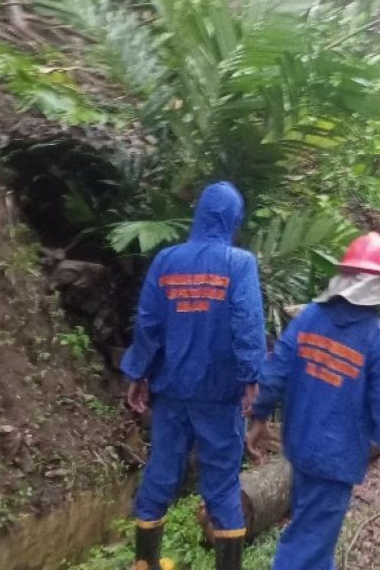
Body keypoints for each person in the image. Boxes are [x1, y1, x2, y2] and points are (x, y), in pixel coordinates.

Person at [246, 232, 380, 570]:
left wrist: (259, 415)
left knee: (316, 533)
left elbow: (276, 369)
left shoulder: (309, 318)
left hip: (301, 445)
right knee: (307, 540)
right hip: (336, 458)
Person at [122, 182, 266, 570]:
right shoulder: (239, 263)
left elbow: (148, 325)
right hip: (219, 396)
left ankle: (144, 564)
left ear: (199, 214)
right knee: (221, 486)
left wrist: (139, 374)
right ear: (233, 219)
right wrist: (253, 375)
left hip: (170, 394)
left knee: (161, 473)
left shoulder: (166, 261)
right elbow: (247, 323)